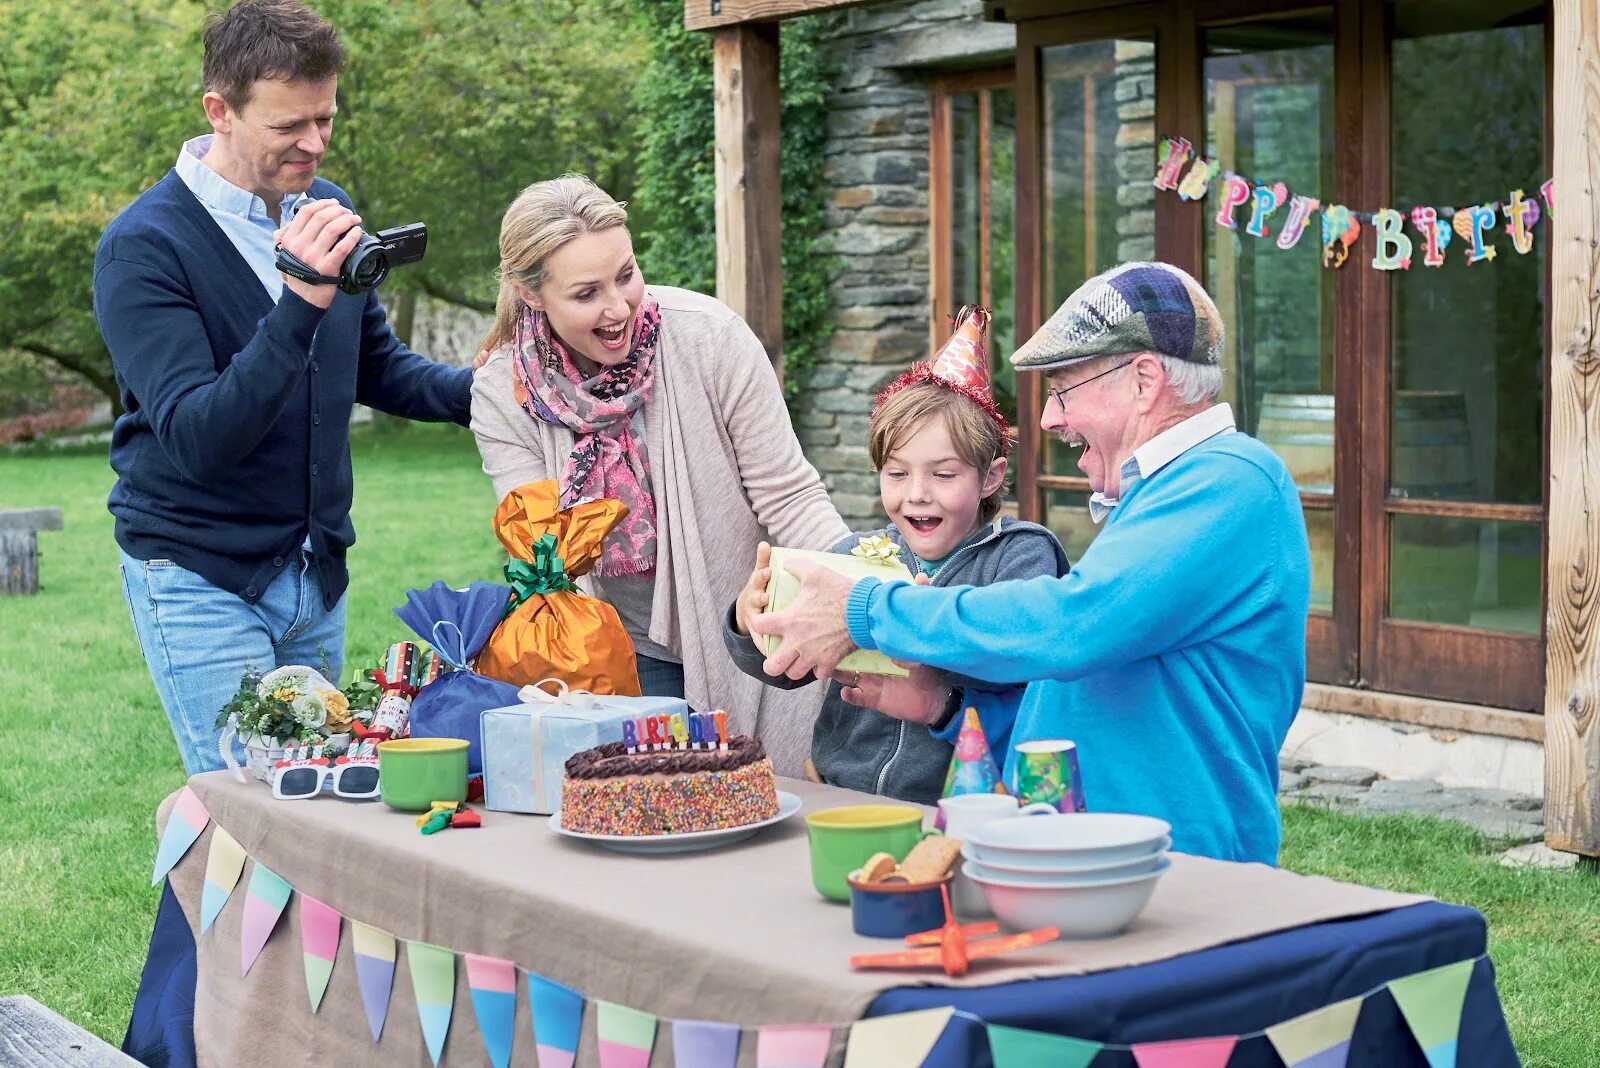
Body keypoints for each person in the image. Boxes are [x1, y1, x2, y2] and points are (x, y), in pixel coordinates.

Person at [751, 262, 1311, 864]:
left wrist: (866, 610)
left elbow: (1072, 625)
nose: (1048, 420)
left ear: (1144, 380)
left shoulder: (1227, 480)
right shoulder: (1165, 493)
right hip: (1103, 858)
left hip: (1184, 868)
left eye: (1063, 389)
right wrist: (940, 707)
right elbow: (1088, 702)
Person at [94, 0, 473, 775]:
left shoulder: (325, 206)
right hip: (201, 573)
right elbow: (201, 437)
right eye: (288, 126)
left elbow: (376, 369)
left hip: (315, 573)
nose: (314, 142)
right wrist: (300, 301)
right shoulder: (142, 248)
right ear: (219, 111)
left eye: (325, 118)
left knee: (316, 813)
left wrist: (494, 393)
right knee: (253, 812)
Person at [470, 175, 848, 775]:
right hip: (615, 648)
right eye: (587, 293)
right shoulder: (502, 393)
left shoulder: (709, 339)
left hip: (743, 633)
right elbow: (543, 553)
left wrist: (861, 584)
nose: (619, 307)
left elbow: (789, 496)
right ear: (532, 293)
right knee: (642, 821)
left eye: (626, 274)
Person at [723, 308, 1067, 802]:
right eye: (897, 473)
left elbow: (1011, 659)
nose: (917, 494)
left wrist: (900, 618)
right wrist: (752, 623)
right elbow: (787, 669)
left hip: (961, 800)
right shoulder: (853, 557)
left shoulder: (1020, 555)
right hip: (840, 788)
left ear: (989, 477)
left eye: (944, 475)